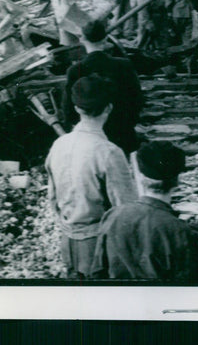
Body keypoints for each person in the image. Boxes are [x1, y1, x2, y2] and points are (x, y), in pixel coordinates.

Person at [46, 75, 137, 279]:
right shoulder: (109, 151)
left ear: (77, 108)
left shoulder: (59, 145)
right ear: (109, 108)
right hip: (99, 245)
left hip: (67, 242)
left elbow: (52, 198)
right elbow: (125, 211)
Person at [92, 141, 198, 281]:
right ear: (177, 181)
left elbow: (97, 272)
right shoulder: (182, 232)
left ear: (141, 177)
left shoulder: (112, 216)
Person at [62, 19, 144, 155]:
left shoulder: (75, 70)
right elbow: (137, 100)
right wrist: (129, 123)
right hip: (123, 132)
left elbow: (68, 110)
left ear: (82, 39)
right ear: (105, 38)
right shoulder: (124, 65)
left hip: (90, 136)